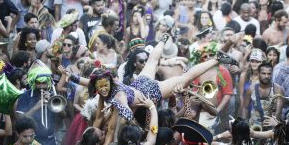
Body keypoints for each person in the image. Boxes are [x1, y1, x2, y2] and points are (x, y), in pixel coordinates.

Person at [59, 34, 236, 121]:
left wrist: (112, 107)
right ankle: (163, 39)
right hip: (139, 84)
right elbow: (89, 82)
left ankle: (217, 59)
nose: (102, 89)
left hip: (151, 91)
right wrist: (72, 77)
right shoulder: (110, 81)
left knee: (187, 76)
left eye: (102, 86)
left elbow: (127, 114)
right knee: (152, 60)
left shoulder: (117, 95)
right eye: (100, 87)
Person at [15, 60, 63, 145]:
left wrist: (52, 101)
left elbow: (63, 115)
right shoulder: (25, 95)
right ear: (33, 82)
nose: (41, 86)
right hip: (32, 142)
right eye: (38, 83)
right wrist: (36, 107)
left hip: (51, 141)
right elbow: (19, 119)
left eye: (44, 83)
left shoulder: (52, 94)